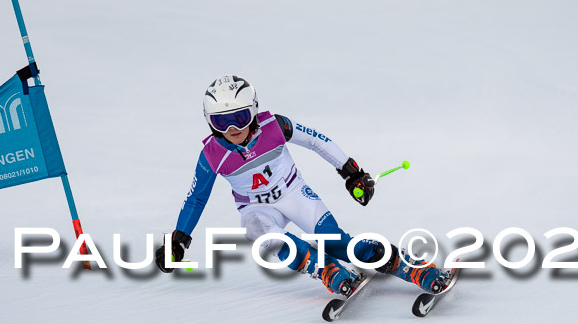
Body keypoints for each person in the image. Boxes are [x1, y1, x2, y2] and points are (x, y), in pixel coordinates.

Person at [155, 75, 448, 296]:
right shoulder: (211, 154)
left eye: (240, 118)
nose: (233, 130)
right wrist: (179, 240)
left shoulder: (274, 126)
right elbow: (196, 199)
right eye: (222, 122)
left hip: (295, 194)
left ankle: (409, 265)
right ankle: (324, 268)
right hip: (256, 208)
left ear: (254, 111)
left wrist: (350, 171)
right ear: (209, 122)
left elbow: (314, 140)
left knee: (340, 244)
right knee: (259, 233)